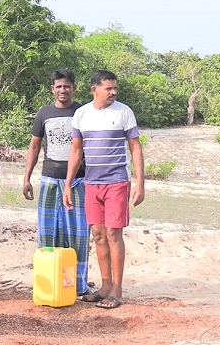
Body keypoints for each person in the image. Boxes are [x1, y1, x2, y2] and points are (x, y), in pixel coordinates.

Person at [64, 70, 144, 309]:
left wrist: (140, 182)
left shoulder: (123, 112)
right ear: (94, 89)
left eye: (114, 88)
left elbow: (135, 148)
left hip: (117, 183)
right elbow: (76, 152)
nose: (113, 92)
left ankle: (117, 289)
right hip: (91, 183)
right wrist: (68, 184)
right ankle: (105, 285)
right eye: (108, 88)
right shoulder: (81, 114)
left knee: (113, 235)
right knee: (98, 235)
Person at [23, 69, 90, 296]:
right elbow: (34, 147)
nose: (63, 90)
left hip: (78, 182)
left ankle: (78, 284)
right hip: (50, 179)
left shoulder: (82, 112)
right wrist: (26, 179)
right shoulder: (44, 113)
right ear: (52, 89)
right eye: (58, 86)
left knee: (78, 234)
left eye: (67, 86)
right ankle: (47, 282)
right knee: (48, 232)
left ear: (74, 88)